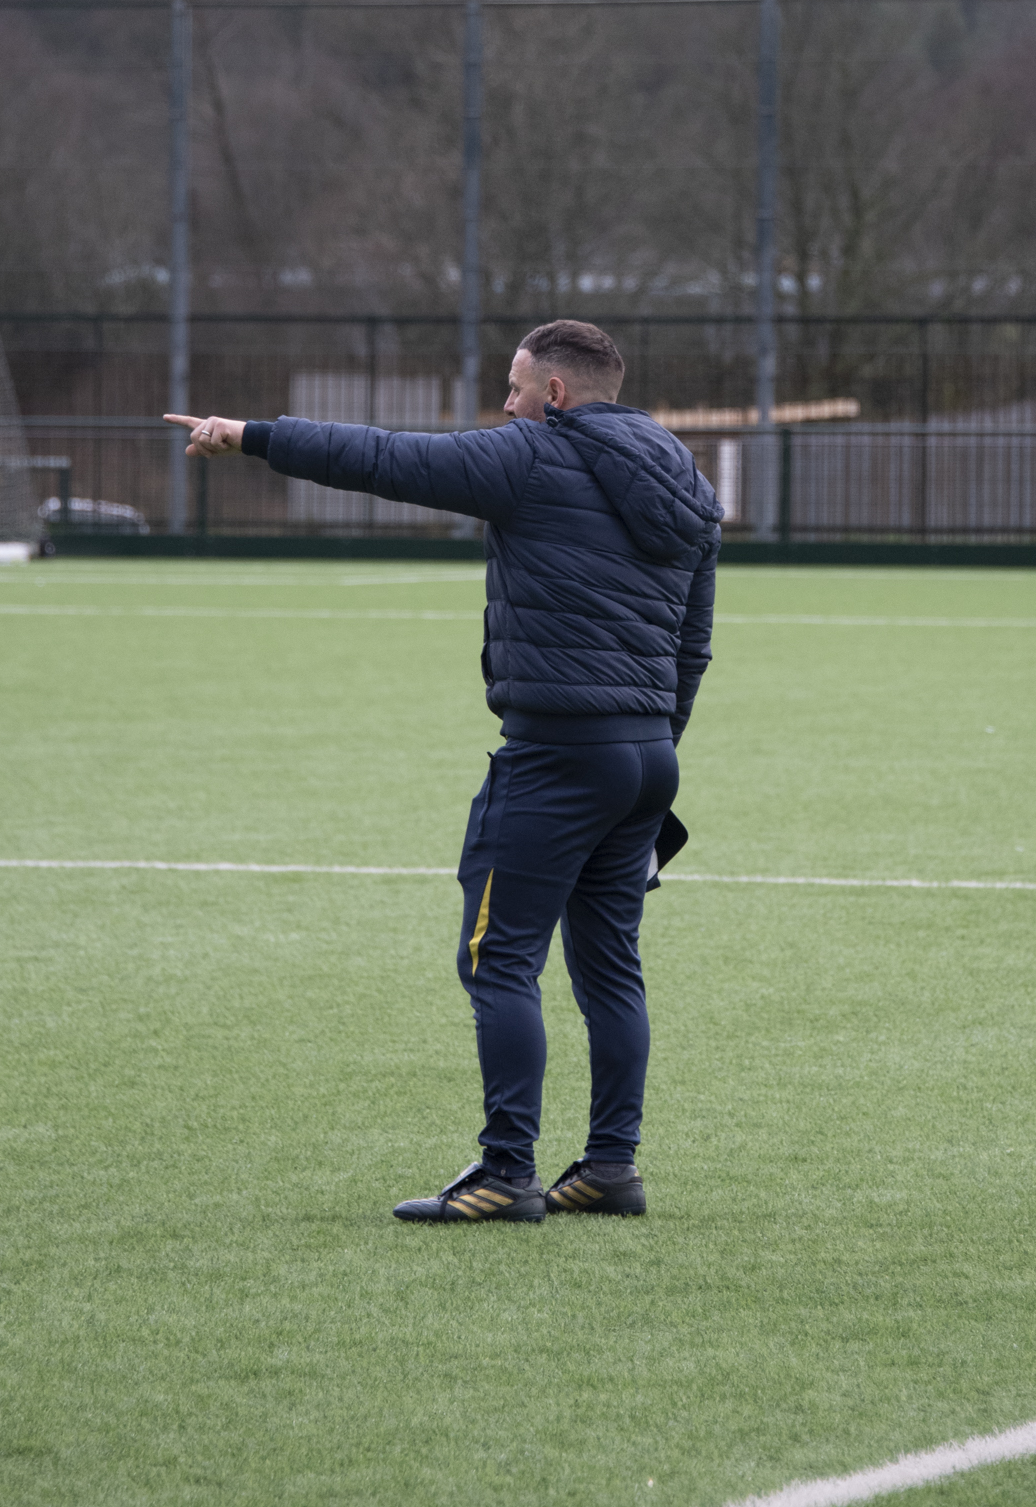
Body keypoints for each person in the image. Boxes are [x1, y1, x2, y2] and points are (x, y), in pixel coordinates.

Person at [164, 318, 721, 1226]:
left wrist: (251, 435)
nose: (504, 404)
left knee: (499, 961)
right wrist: (651, 751)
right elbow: (692, 646)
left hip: (555, 755)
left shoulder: (533, 459)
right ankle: (610, 1167)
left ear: (554, 393)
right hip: (646, 755)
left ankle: (507, 1172)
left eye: (513, 386)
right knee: (610, 966)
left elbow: (387, 460)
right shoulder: (687, 485)